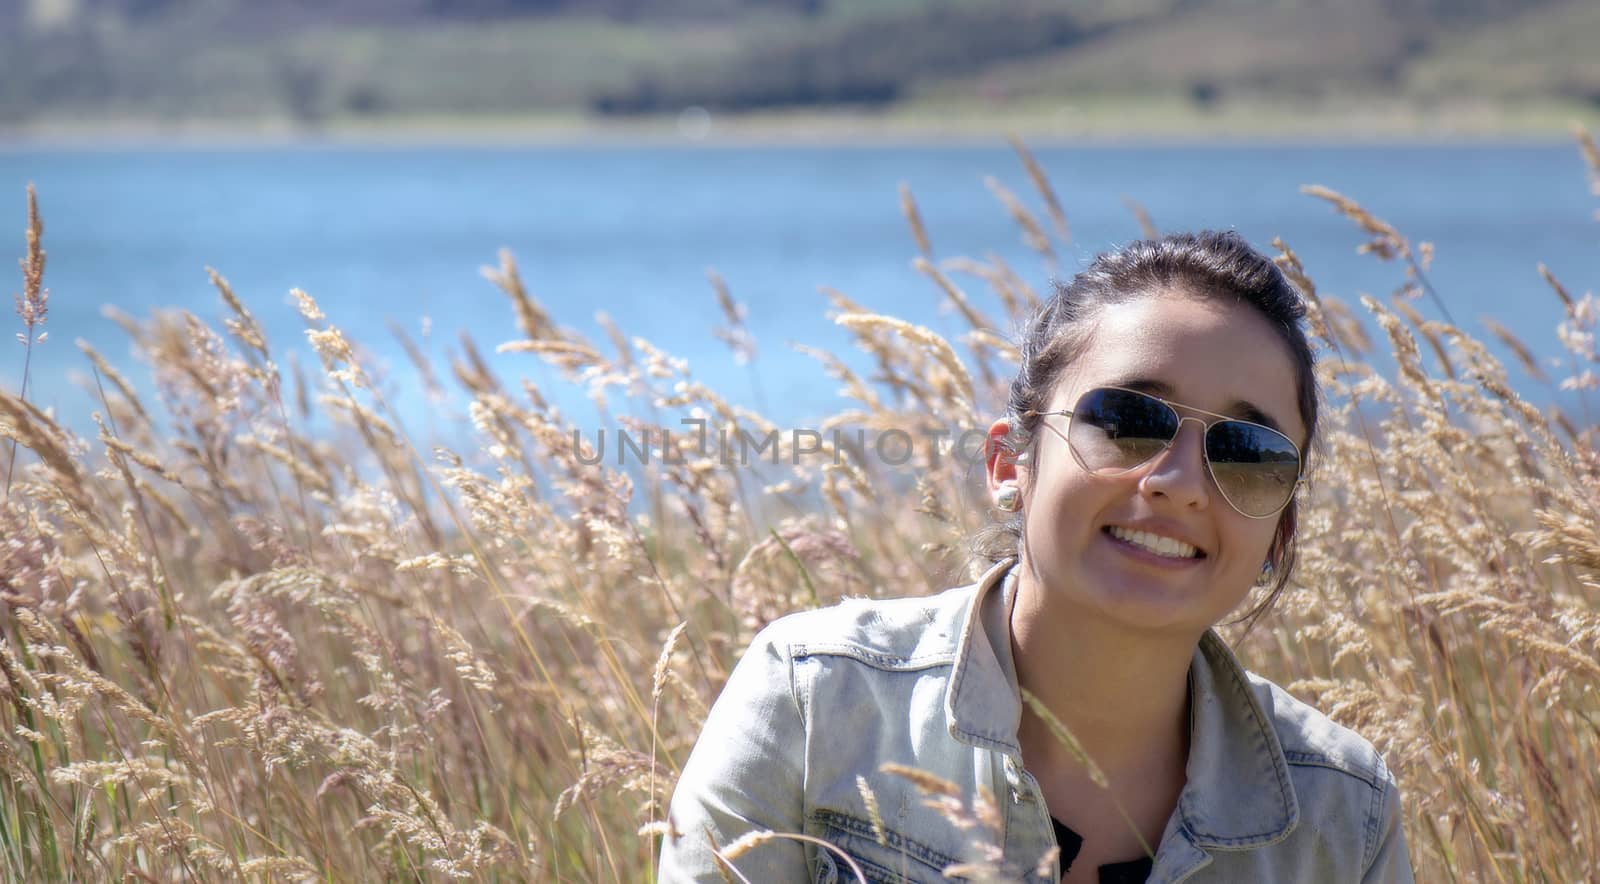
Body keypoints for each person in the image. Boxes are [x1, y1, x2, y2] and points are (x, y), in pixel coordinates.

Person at [658, 231, 1413, 883]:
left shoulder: (1342, 815)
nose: (1182, 483)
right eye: (1126, 419)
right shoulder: (817, 703)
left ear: (1280, 530)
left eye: (1248, 451)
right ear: (1008, 467)